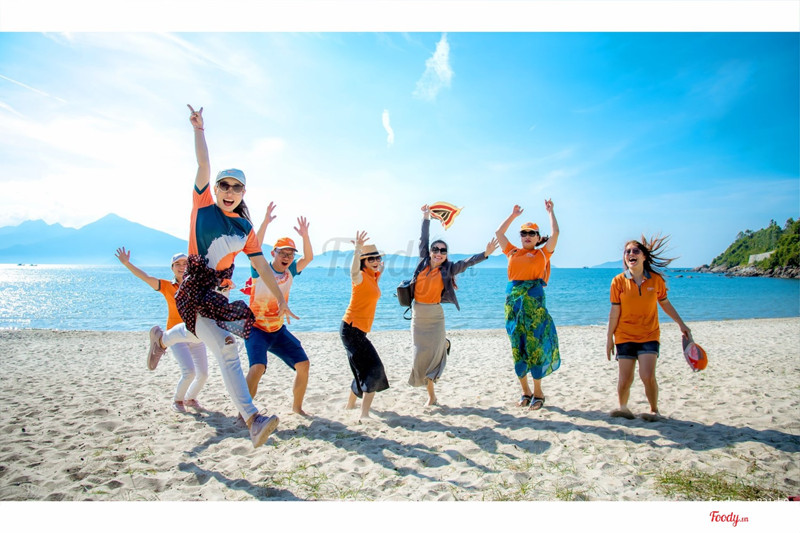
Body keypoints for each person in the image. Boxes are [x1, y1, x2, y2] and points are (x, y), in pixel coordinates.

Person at [149, 104, 297, 449]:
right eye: (224, 186)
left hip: (216, 295)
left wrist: (280, 299)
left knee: (198, 334)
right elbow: (203, 164)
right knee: (227, 347)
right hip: (192, 290)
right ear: (215, 189)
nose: (229, 192)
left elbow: (262, 266)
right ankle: (253, 419)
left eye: (236, 188)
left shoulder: (245, 228)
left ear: (243, 193)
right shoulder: (202, 206)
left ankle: (162, 340)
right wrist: (199, 130)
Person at [408, 204, 499, 406]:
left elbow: (467, 263)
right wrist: (426, 217)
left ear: (446, 254)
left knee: (434, 356)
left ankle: (431, 395)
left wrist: (485, 254)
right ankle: (444, 345)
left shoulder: (449, 269)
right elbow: (423, 238)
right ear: (430, 251)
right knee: (420, 354)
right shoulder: (423, 262)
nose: (439, 253)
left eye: (443, 250)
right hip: (418, 315)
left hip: (435, 315)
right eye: (436, 249)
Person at [606, 235, 691, 421]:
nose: (630, 254)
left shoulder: (656, 280)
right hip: (624, 336)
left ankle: (654, 410)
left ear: (644, 256)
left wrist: (681, 324)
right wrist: (609, 338)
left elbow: (665, 304)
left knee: (647, 376)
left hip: (649, 335)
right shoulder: (618, 281)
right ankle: (623, 408)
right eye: (627, 252)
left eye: (635, 251)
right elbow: (614, 311)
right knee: (625, 379)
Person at [116, 248, 208, 413]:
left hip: (196, 335)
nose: (182, 267)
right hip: (176, 336)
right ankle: (177, 401)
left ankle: (190, 398)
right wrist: (127, 264)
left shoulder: (198, 286)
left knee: (203, 375)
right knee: (189, 372)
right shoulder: (166, 286)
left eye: (185, 263)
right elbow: (146, 278)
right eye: (177, 264)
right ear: (172, 268)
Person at [242, 202, 313, 416]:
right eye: (283, 253)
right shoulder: (260, 268)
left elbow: (309, 258)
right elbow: (254, 248)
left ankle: (297, 408)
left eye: (290, 254)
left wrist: (305, 236)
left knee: (303, 364)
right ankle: (244, 412)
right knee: (257, 368)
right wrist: (265, 222)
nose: (287, 258)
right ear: (273, 253)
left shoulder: (291, 270)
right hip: (256, 329)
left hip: (277, 330)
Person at [495, 200, 560, 411]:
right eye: (524, 233)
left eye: (532, 233)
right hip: (514, 305)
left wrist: (550, 212)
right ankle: (525, 391)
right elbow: (499, 233)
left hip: (534, 305)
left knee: (535, 346)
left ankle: (538, 392)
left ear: (538, 238)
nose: (527, 236)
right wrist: (513, 215)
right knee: (518, 346)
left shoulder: (543, 253)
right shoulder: (512, 252)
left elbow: (556, 233)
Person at [341, 231, 390, 421]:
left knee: (360, 369)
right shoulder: (360, 276)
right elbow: (353, 272)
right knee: (374, 368)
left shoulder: (373, 276)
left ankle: (350, 405)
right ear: (363, 261)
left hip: (358, 331)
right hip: (351, 329)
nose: (376, 261)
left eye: (377, 258)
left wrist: (379, 265)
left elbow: (380, 270)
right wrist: (357, 250)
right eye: (371, 259)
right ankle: (364, 414)